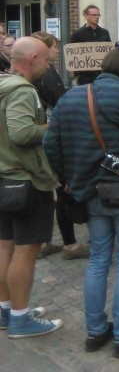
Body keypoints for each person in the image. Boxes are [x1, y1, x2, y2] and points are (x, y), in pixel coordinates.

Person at [44, 48, 119, 357]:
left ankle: (96, 331)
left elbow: (49, 144)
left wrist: (66, 179)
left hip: (88, 190)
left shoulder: (71, 96)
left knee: (98, 259)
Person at [0, 37, 63, 338]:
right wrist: (53, 126)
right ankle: (21, 319)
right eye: (48, 62)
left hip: (3, 178)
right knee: (26, 251)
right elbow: (22, 132)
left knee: (4, 247)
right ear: (34, 58)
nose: (49, 67)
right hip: (25, 180)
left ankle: (7, 310)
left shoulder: (3, 84)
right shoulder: (23, 91)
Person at [30, 31, 88, 260]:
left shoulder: (34, 72)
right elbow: (61, 102)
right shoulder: (47, 74)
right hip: (53, 134)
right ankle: (70, 244)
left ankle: (43, 241)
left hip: (42, 134)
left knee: (43, 192)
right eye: (54, 47)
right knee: (62, 189)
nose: (57, 51)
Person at [69, 5, 111, 85]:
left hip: (101, 74)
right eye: (94, 15)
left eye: (98, 15)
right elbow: (71, 54)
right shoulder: (78, 34)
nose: (97, 17)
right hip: (85, 75)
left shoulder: (104, 32)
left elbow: (109, 51)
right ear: (85, 15)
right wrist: (73, 72)